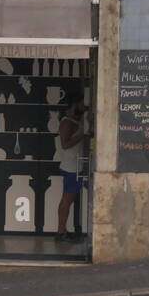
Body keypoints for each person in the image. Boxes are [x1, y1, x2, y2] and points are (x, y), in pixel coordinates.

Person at [55, 102, 90, 241]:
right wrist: (81, 135)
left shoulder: (74, 121)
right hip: (70, 167)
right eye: (77, 107)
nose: (79, 109)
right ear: (69, 108)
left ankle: (62, 230)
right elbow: (65, 144)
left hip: (75, 165)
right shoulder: (66, 123)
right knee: (67, 200)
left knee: (68, 199)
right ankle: (60, 231)